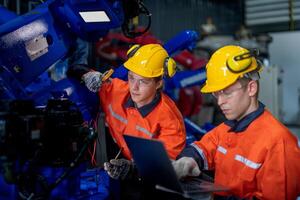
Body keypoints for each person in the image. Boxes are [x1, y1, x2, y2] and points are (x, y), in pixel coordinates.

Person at [172, 45, 300, 200]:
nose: (220, 102)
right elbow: (203, 148)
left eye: (226, 92)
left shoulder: (279, 143)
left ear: (251, 88)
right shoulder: (227, 128)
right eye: (216, 94)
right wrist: (189, 159)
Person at [68, 44, 186, 199]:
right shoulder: (117, 92)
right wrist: (88, 75)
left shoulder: (170, 122)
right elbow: (75, 69)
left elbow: (164, 168)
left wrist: (132, 169)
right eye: (131, 78)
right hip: (117, 159)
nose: (134, 88)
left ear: (159, 83)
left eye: (143, 81)